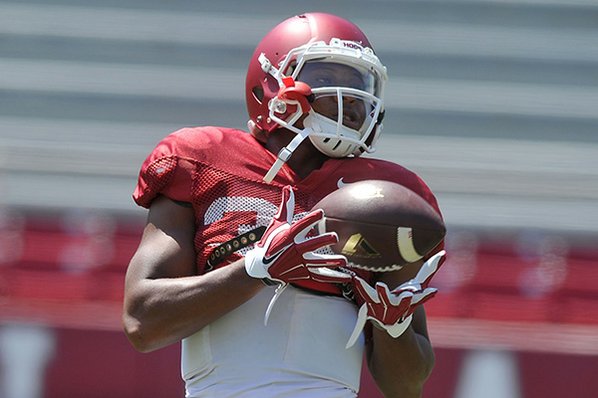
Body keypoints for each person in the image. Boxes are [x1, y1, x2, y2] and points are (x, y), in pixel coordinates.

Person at [123, 12, 445, 398]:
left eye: (358, 83)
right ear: (271, 84)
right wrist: (257, 270)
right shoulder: (203, 160)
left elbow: (408, 386)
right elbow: (142, 321)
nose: (354, 100)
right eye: (327, 79)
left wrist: (394, 327)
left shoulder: (379, 197)